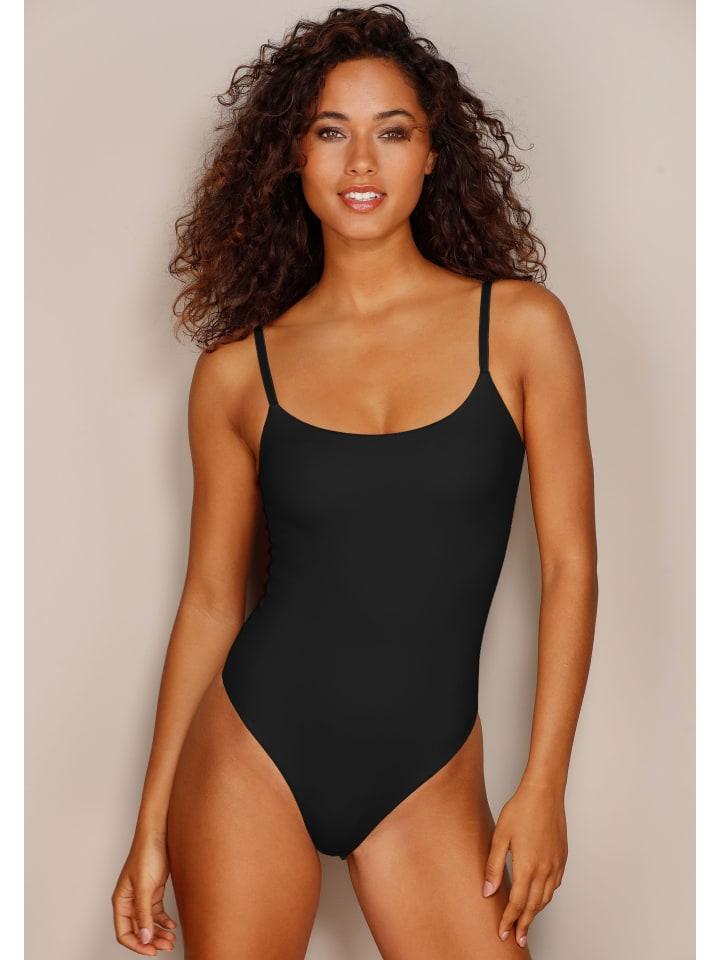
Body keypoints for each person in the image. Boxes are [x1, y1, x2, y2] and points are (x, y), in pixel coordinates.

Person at [111, 5, 597, 958]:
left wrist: (545, 786)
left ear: (434, 155)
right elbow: (210, 599)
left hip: (429, 776)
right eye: (331, 132)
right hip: (251, 753)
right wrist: (151, 823)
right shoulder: (237, 372)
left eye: (393, 132)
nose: (361, 163)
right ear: (292, 156)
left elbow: (571, 568)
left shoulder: (522, 328)